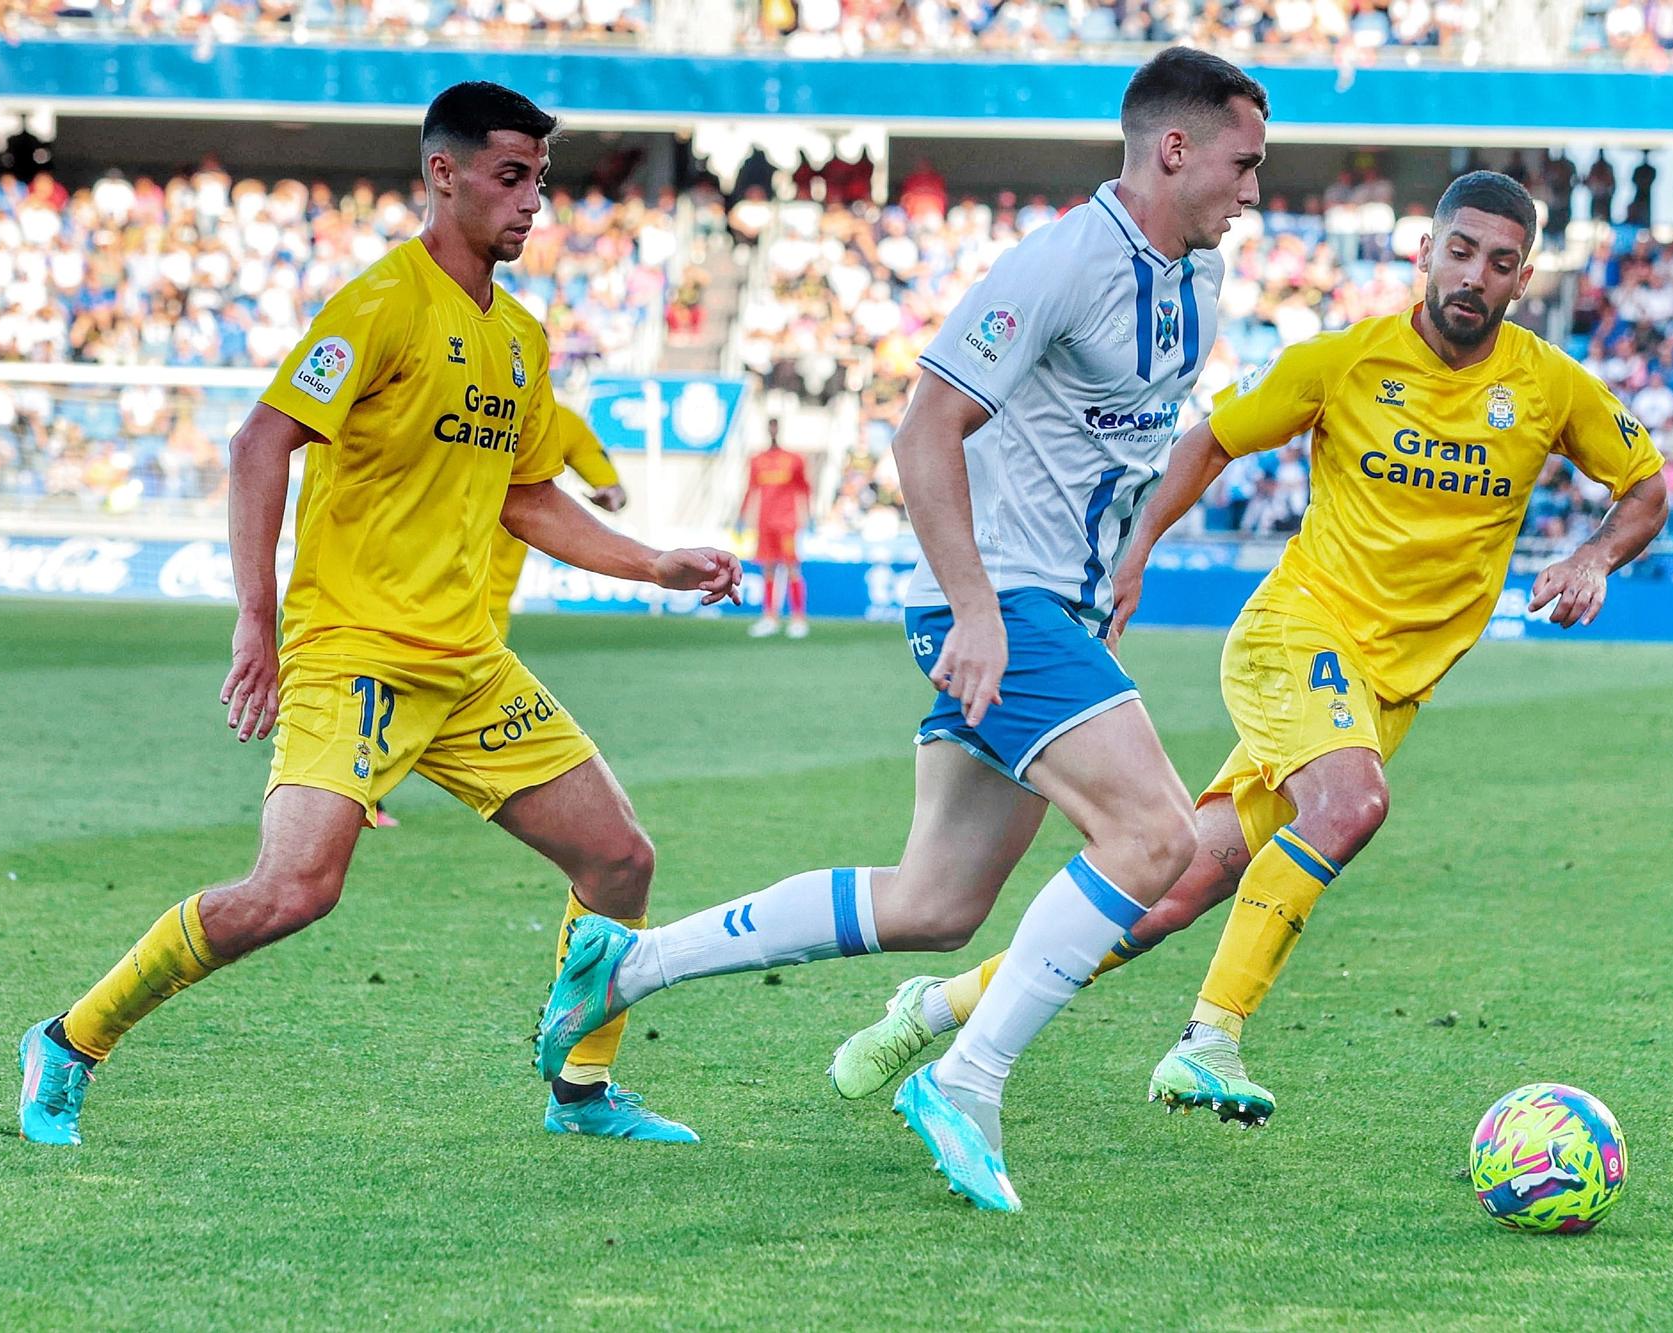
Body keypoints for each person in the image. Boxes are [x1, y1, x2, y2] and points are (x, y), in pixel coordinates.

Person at [532, 47, 1269, 1212]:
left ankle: (633, 961)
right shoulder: (1062, 262)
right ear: (1172, 148)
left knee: (934, 902)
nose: (1253, 188)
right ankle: (965, 1083)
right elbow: (923, 428)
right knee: (1157, 837)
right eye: (1242, 163)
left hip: (1052, 604)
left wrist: (1119, 565)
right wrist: (977, 608)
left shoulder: (1198, 286)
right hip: (996, 601)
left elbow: (1103, 453)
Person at [830, 171, 1668, 1128]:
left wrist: (1595, 554)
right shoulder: (1342, 361)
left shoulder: (1551, 385)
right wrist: (1133, 553)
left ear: (1524, 282)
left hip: (1383, 689)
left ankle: (931, 1008)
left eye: (1502, 263)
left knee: (1169, 893)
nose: (1475, 276)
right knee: (1351, 803)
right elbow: (1209, 441)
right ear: (1425, 254)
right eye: (1462, 251)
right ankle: (1208, 1042)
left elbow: (1645, 483)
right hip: (1296, 636)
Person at [15, 82, 741, 1149]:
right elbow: (259, 442)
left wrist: (656, 564)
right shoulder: (382, 303)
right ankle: (69, 1039)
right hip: (355, 650)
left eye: (539, 180)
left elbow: (524, 492)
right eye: (509, 177)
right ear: (442, 175)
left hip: (467, 666)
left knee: (620, 859)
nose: (531, 201)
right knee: (291, 890)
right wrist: (255, 623)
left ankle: (580, 1093)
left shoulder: (520, 338)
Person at [489, 403, 627, 638]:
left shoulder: (559, 421)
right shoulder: (450, 400)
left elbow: (613, 488)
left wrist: (612, 494)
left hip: (492, 598)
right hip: (424, 589)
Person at [740, 419, 812, 639]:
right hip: (765, 523)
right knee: (768, 568)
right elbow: (751, 489)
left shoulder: (793, 459)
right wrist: (742, 515)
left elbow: (804, 488)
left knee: (791, 567)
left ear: (779, 429)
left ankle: (798, 618)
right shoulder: (757, 460)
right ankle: (770, 617)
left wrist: (808, 514)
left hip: (786, 523)